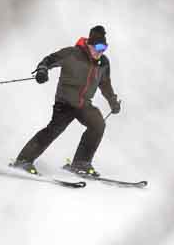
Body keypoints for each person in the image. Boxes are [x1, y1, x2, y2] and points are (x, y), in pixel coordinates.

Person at [10, 24, 121, 177]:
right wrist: (42, 70)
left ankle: (81, 163)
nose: (101, 51)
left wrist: (113, 102)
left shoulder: (103, 63)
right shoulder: (72, 53)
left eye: (104, 47)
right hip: (65, 102)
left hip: (84, 105)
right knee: (53, 130)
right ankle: (23, 160)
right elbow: (48, 60)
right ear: (89, 44)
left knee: (98, 124)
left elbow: (105, 84)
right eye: (98, 47)